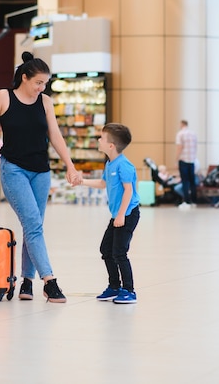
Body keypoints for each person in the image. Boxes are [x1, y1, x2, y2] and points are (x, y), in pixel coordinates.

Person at [0, 51, 81, 303]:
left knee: (33, 227)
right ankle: (50, 281)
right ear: (24, 78)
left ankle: (26, 282)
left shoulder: (45, 102)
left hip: (41, 172)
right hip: (14, 170)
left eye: (45, 84)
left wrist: (70, 165)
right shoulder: (4, 97)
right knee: (33, 224)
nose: (42, 88)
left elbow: (55, 136)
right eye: (38, 83)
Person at [79, 123, 141, 304]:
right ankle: (114, 287)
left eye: (102, 138)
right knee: (106, 250)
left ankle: (129, 291)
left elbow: (128, 191)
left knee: (119, 252)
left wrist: (121, 215)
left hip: (128, 214)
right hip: (118, 215)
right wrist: (81, 181)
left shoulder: (124, 165)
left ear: (111, 145)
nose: (99, 140)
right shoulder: (110, 163)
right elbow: (102, 183)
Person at [175, 119, 198, 210]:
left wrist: (176, 160)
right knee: (192, 182)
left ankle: (187, 201)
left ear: (181, 124)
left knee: (185, 181)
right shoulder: (193, 134)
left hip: (183, 160)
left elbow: (179, 147)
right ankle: (194, 201)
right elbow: (195, 147)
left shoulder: (180, 134)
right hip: (192, 160)